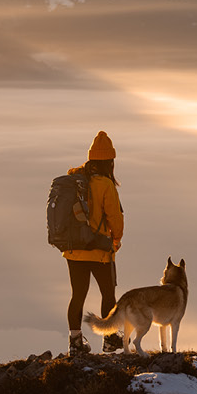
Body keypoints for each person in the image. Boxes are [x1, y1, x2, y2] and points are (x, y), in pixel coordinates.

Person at [64, 130, 124, 356]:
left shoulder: (75, 179)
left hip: (74, 250)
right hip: (99, 250)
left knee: (77, 295)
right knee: (108, 295)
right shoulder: (105, 184)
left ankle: (75, 343)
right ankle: (109, 341)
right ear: (109, 160)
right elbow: (115, 218)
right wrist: (115, 240)